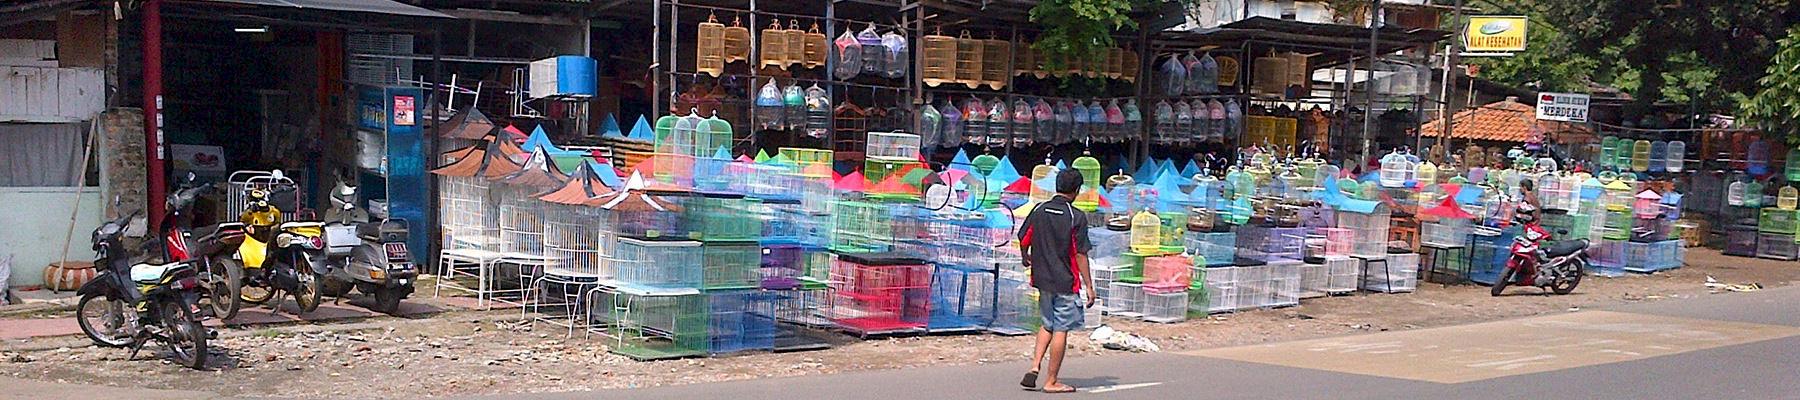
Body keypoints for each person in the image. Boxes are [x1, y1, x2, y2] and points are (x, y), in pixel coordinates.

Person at [1017, 169, 1095, 393]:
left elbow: (1024, 237)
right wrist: (1089, 285)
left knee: (1046, 324)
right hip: (1065, 281)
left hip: (1042, 278)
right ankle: (1051, 381)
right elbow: (1080, 254)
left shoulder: (1040, 209)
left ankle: (1034, 366)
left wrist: (1025, 257)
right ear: (1077, 190)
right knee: (1061, 329)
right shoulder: (1076, 216)